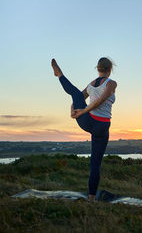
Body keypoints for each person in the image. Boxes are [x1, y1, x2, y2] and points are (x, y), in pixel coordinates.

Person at [51, 57, 117, 202]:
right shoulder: (111, 83)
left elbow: (77, 98)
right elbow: (101, 100)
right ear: (109, 69)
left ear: (98, 68)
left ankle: (60, 75)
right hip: (101, 125)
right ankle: (92, 197)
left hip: (87, 121)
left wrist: (74, 111)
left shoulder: (91, 85)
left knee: (75, 94)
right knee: (95, 164)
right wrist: (81, 111)